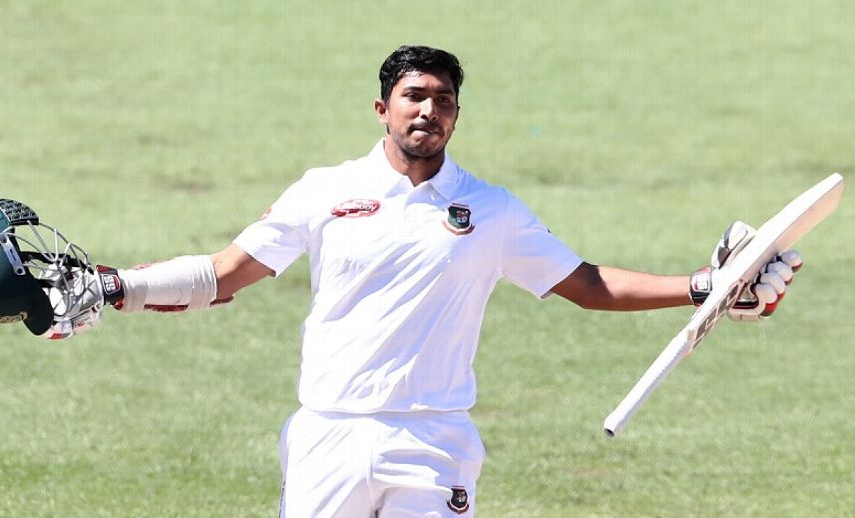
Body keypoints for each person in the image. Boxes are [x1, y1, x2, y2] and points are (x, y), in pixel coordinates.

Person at [42, 45, 799, 517]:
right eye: (415, 96)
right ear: (383, 108)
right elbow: (225, 275)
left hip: (434, 439)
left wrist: (707, 285)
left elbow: (587, 284)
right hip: (329, 434)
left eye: (443, 100)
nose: (428, 111)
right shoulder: (325, 190)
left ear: (456, 117)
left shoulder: (491, 211)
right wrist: (116, 286)